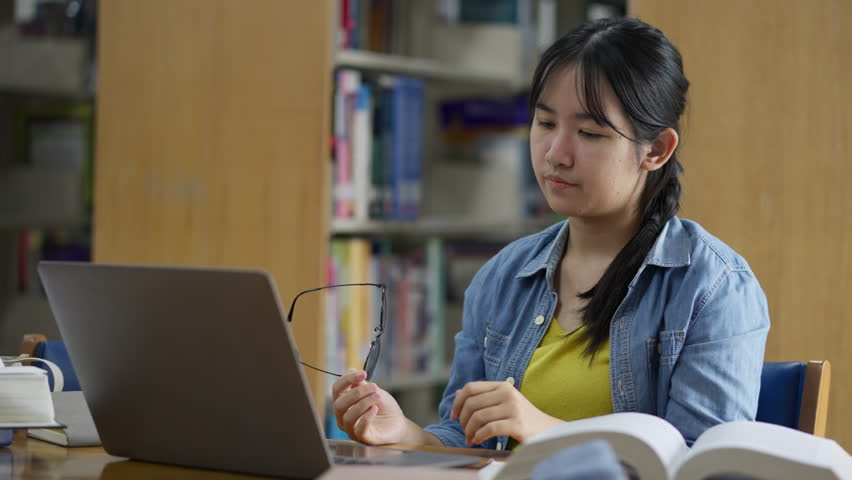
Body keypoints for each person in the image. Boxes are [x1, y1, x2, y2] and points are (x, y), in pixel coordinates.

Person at [331, 16, 770, 450]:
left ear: (655, 149)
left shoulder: (713, 288)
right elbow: (467, 439)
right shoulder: (504, 274)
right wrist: (407, 434)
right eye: (544, 124)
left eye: (589, 133)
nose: (556, 154)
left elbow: (703, 464)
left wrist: (546, 430)